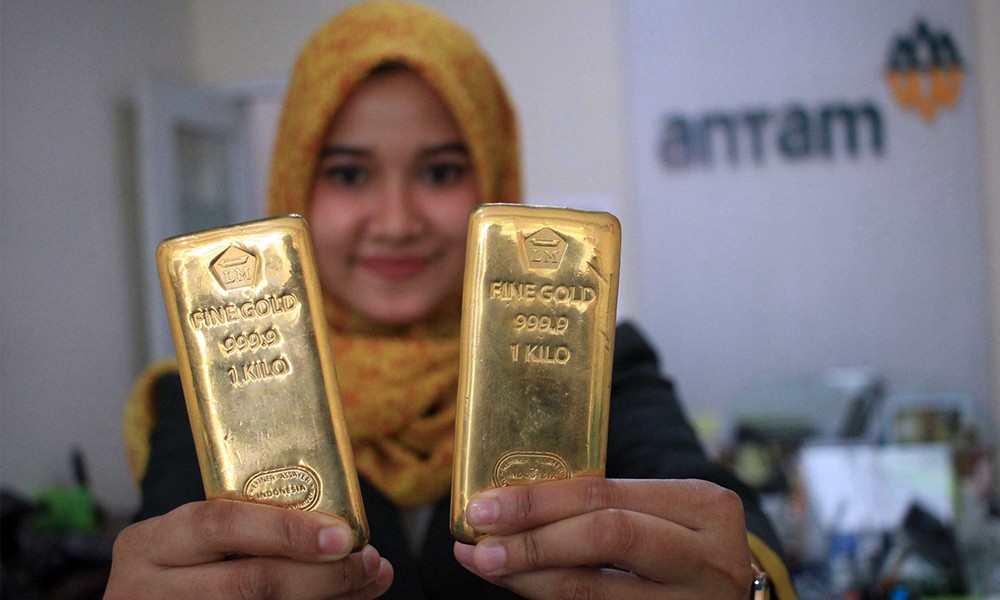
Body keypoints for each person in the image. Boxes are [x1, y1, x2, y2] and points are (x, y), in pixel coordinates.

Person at [106, 2, 796, 599]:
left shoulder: (601, 363)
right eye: (349, 173)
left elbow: (712, 513)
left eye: (439, 171)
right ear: (295, 184)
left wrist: (750, 584)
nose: (397, 221)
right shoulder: (201, 395)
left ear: (493, 176)